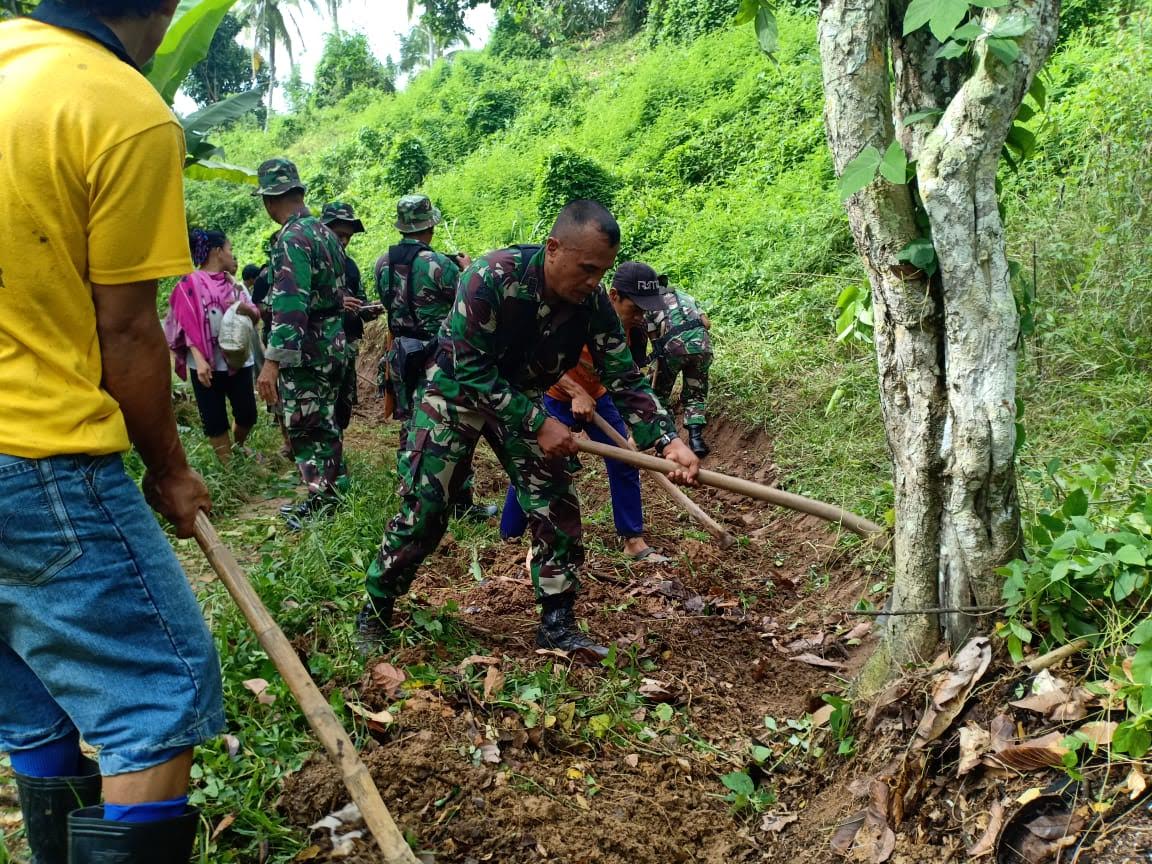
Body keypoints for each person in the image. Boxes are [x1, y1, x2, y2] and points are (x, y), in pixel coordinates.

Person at [0, 1, 224, 861]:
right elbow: (127, 329)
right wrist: (168, 468)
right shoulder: (121, 109)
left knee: (34, 696)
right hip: (35, 459)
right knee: (158, 695)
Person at [357, 200, 699, 658]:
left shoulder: (590, 302)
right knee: (427, 503)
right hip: (456, 392)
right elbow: (469, 364)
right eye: (587, 268)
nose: (595, 281)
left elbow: (623, 375)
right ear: (554, 248)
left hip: (519, 396)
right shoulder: (491, 277)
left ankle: (557, 623)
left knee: (555, 500)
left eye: (602, 271)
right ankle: (377, 609)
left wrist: (668, 439)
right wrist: (539, 422)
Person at [374, 194, 497, 521]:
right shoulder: (440, 265)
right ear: (430, 225)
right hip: (436, 356)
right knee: (448, 426)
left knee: (409, 425)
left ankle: (409, 496)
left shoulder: (381, 263)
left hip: (400, 352)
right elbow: (468, 300)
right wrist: (468, 269)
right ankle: (459, 502)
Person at [498, 341, 670, 563]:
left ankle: (633, 541)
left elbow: (628, 377)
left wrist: (647, 429)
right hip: (556, 394)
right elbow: (539, 356)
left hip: (599, 396)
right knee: (536, 460)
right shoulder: (581, 312)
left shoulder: (633, 327)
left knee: (625, 460)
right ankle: (510, 535)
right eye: (634, 309)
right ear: (616, 302)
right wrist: (575, 391)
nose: (639, 315)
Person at [253, 158, 349, 528]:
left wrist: (272, 362)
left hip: (308, 349)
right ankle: (333, 493)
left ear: (270, 201)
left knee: (307, 425)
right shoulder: (323, 233)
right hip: (332, 342)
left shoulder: (292, 238)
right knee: (325, 422)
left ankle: (324, 501)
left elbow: (292, 304)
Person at [164, 229, 261, 463]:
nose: (232, 255)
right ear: (217, 252)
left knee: (247, 414)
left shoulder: (235, 286)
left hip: (238, 360)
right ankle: (229, 469)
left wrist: (244, 307)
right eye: (230, 250)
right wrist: (198, 359)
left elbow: (255, 316)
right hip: (205, 364)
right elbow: (184, 325)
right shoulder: (189, 284)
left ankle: (237, 446)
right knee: (214, 419)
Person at [614, 262, 714, 458]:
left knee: (657, 395)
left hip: (672, 348)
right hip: (702, 346)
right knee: (695, 394)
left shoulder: (648, 305)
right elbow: (706, 323)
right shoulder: (686, 296)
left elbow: (654, 339)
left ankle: (668, 442)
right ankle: (696, 440)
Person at [321, 201, 382, 431]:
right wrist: (336, 303)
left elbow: (359, 300)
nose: (344, 241)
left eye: (348, 236)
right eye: (339, 235)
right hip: (320, 350)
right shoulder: (310, 263)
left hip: (347, 347)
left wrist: (368, 309)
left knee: (342, 409)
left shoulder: (351, 266)